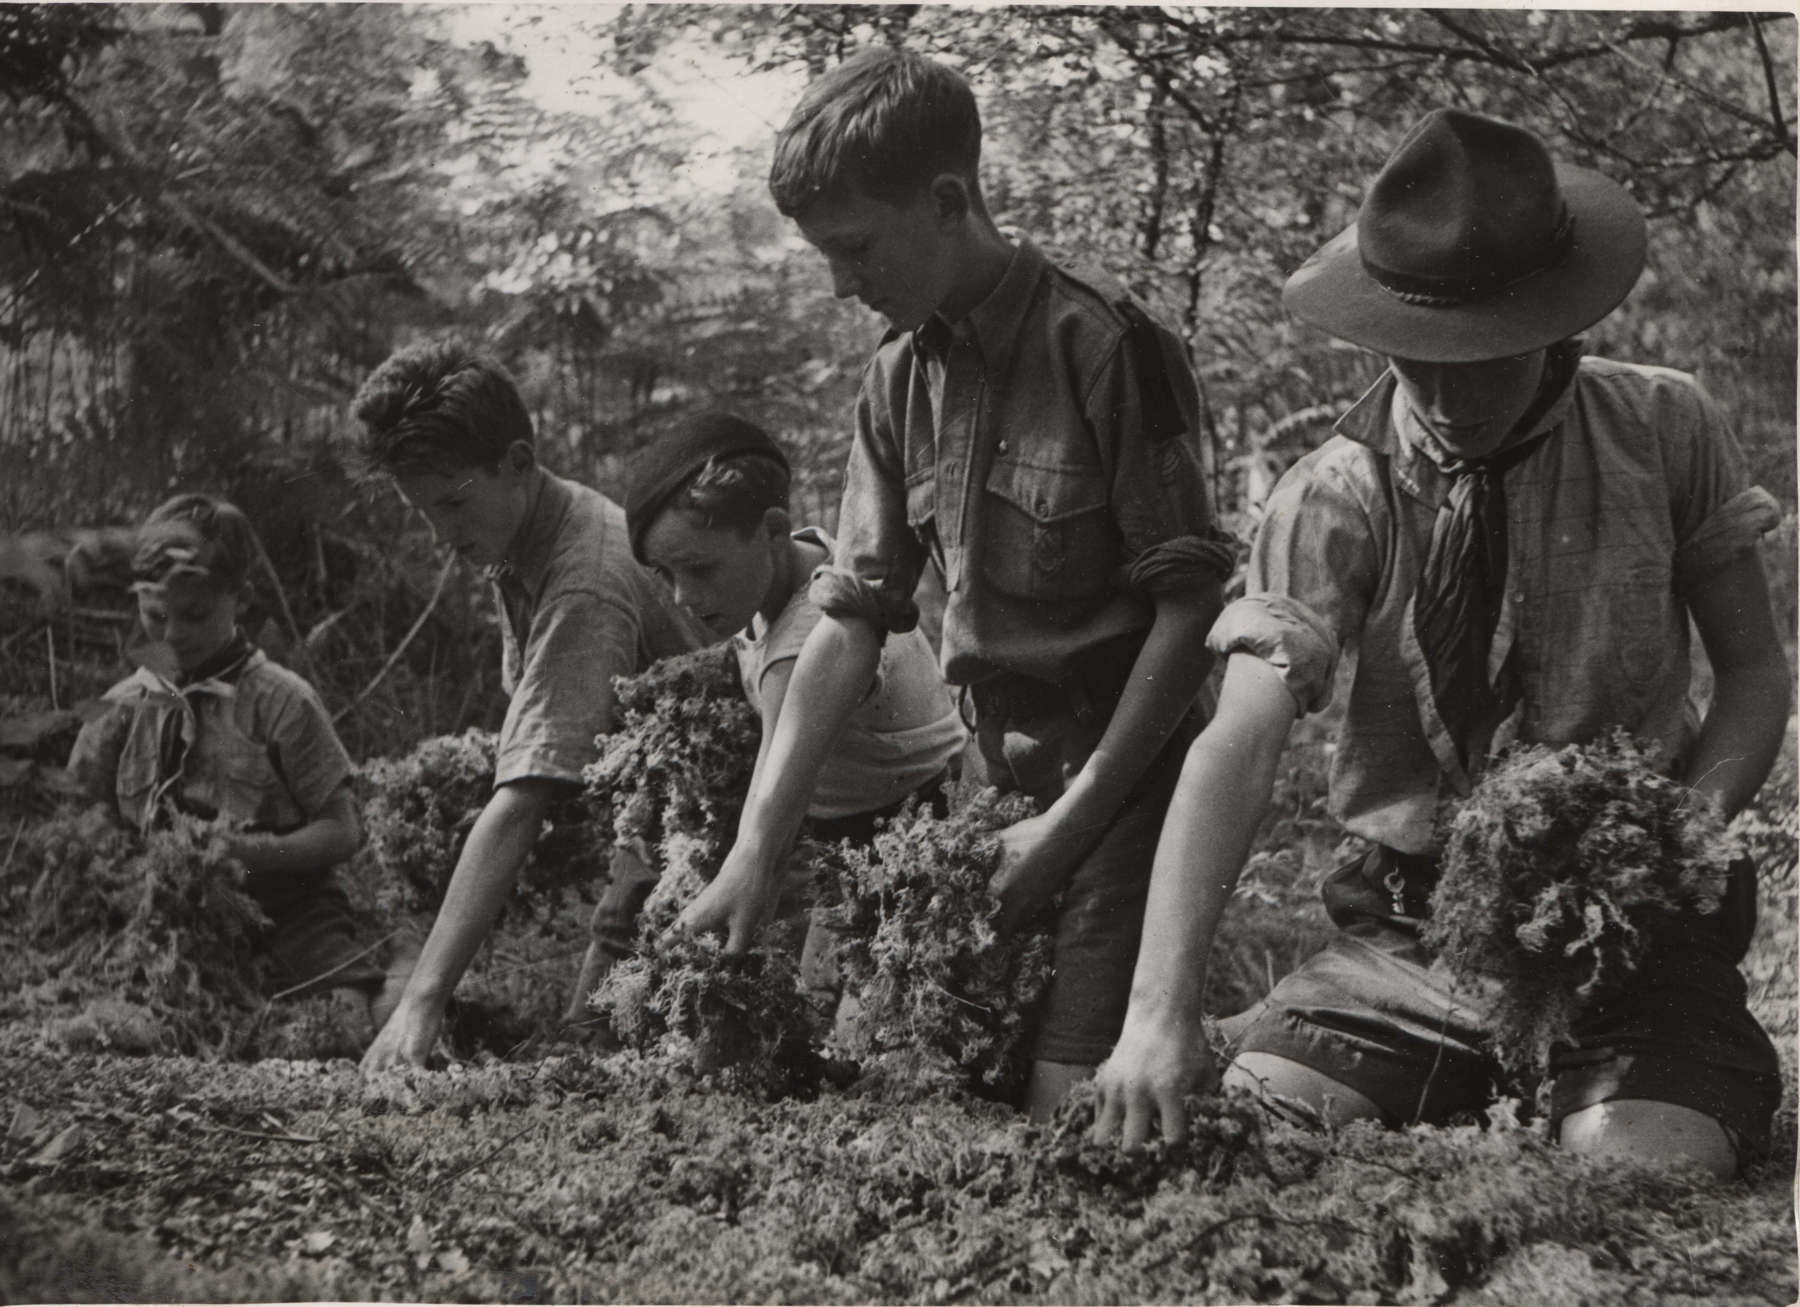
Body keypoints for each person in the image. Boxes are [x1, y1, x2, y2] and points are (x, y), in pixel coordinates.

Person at [1091, 108, 1790, 1178]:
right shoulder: (1333, 494)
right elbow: (1239, 740)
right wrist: (1155, 1007)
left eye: (1484, 358)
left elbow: (1750, 672)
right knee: (1266, 1129)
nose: (1450, 395)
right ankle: (1322, 1043)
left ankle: (1607, 1084)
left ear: (1553, 321)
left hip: (1627, 918)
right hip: (1411, 931)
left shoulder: (1661, 429)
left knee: (1642, 1164)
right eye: (1420, 360)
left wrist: (1672, 840)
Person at [683, 47, 1238, 1119]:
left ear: (948, 201)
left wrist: (1068, 829)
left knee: (1068, 1117)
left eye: (855, 248)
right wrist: (761, 841)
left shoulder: (1107, 344)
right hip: (985, 791)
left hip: (1126, 791)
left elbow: (1187, 607)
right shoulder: (894, 381)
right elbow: (848, 615)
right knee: (891, 1090)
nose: (844, 285)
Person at [351, 341, 708, 1072]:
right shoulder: (524, 536)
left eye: (452, 502)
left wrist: (424, 1001)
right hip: (654, 829)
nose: (441, 534)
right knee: (592, 1038)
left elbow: (525, 798)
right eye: (423, 511)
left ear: (518, 462)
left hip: (729, 837)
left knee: (618, 1058)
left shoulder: (585, 579)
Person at [625, 411, 966, 991]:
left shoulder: (808, 639)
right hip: (845, 840)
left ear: (772, 528)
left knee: (863, 1033)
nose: (683, 596)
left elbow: (771, 819)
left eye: (700, 569)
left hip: (918, 830)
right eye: (665, 574)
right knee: (820, 1004)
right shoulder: (802, 565)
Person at [67, 494, 401, 1029]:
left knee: (346, 1016)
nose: (173, 634)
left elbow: (343, 832)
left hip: (284, 904)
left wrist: (254, 853)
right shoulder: (120, 711)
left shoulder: (282, 702)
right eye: (156, 615)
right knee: (110, 999)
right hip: (162, 908)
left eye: (196, 614)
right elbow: (78, 824)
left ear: (239, 599)